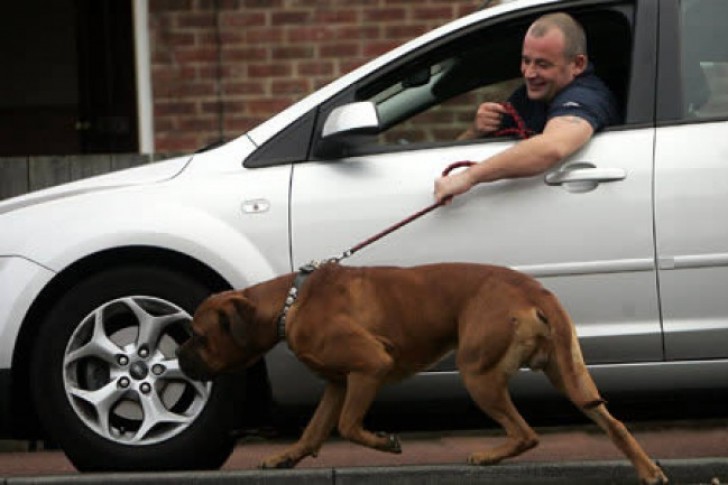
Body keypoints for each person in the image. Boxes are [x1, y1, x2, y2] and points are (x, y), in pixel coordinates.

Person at [434, 12, 621, 203]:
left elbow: (552, 147)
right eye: (526, 61)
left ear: (577, 64)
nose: (530, 73)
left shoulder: (586, 96)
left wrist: (469, 177)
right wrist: (475, 131)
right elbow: (454, 154)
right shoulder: (530, 96)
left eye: (542, 64)